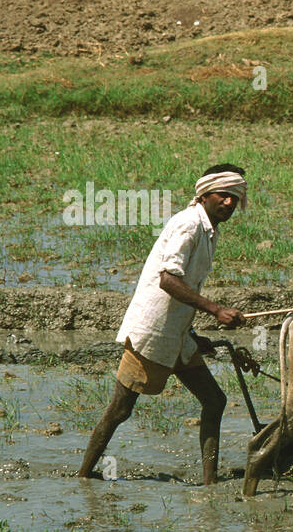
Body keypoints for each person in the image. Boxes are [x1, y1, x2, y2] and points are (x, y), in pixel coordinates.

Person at [77, 164, 249, 485]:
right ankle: (84, 476)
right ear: (205, 194)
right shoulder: (188, 225)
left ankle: (210, 483)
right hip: (153, 332)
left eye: (235, 197)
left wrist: (194, 335)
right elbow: (168, 281)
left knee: (215, 401)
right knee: (120, 410)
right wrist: (217, 310)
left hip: (177, 334)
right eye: (223, 195)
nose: (229, 203)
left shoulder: (208, 229)